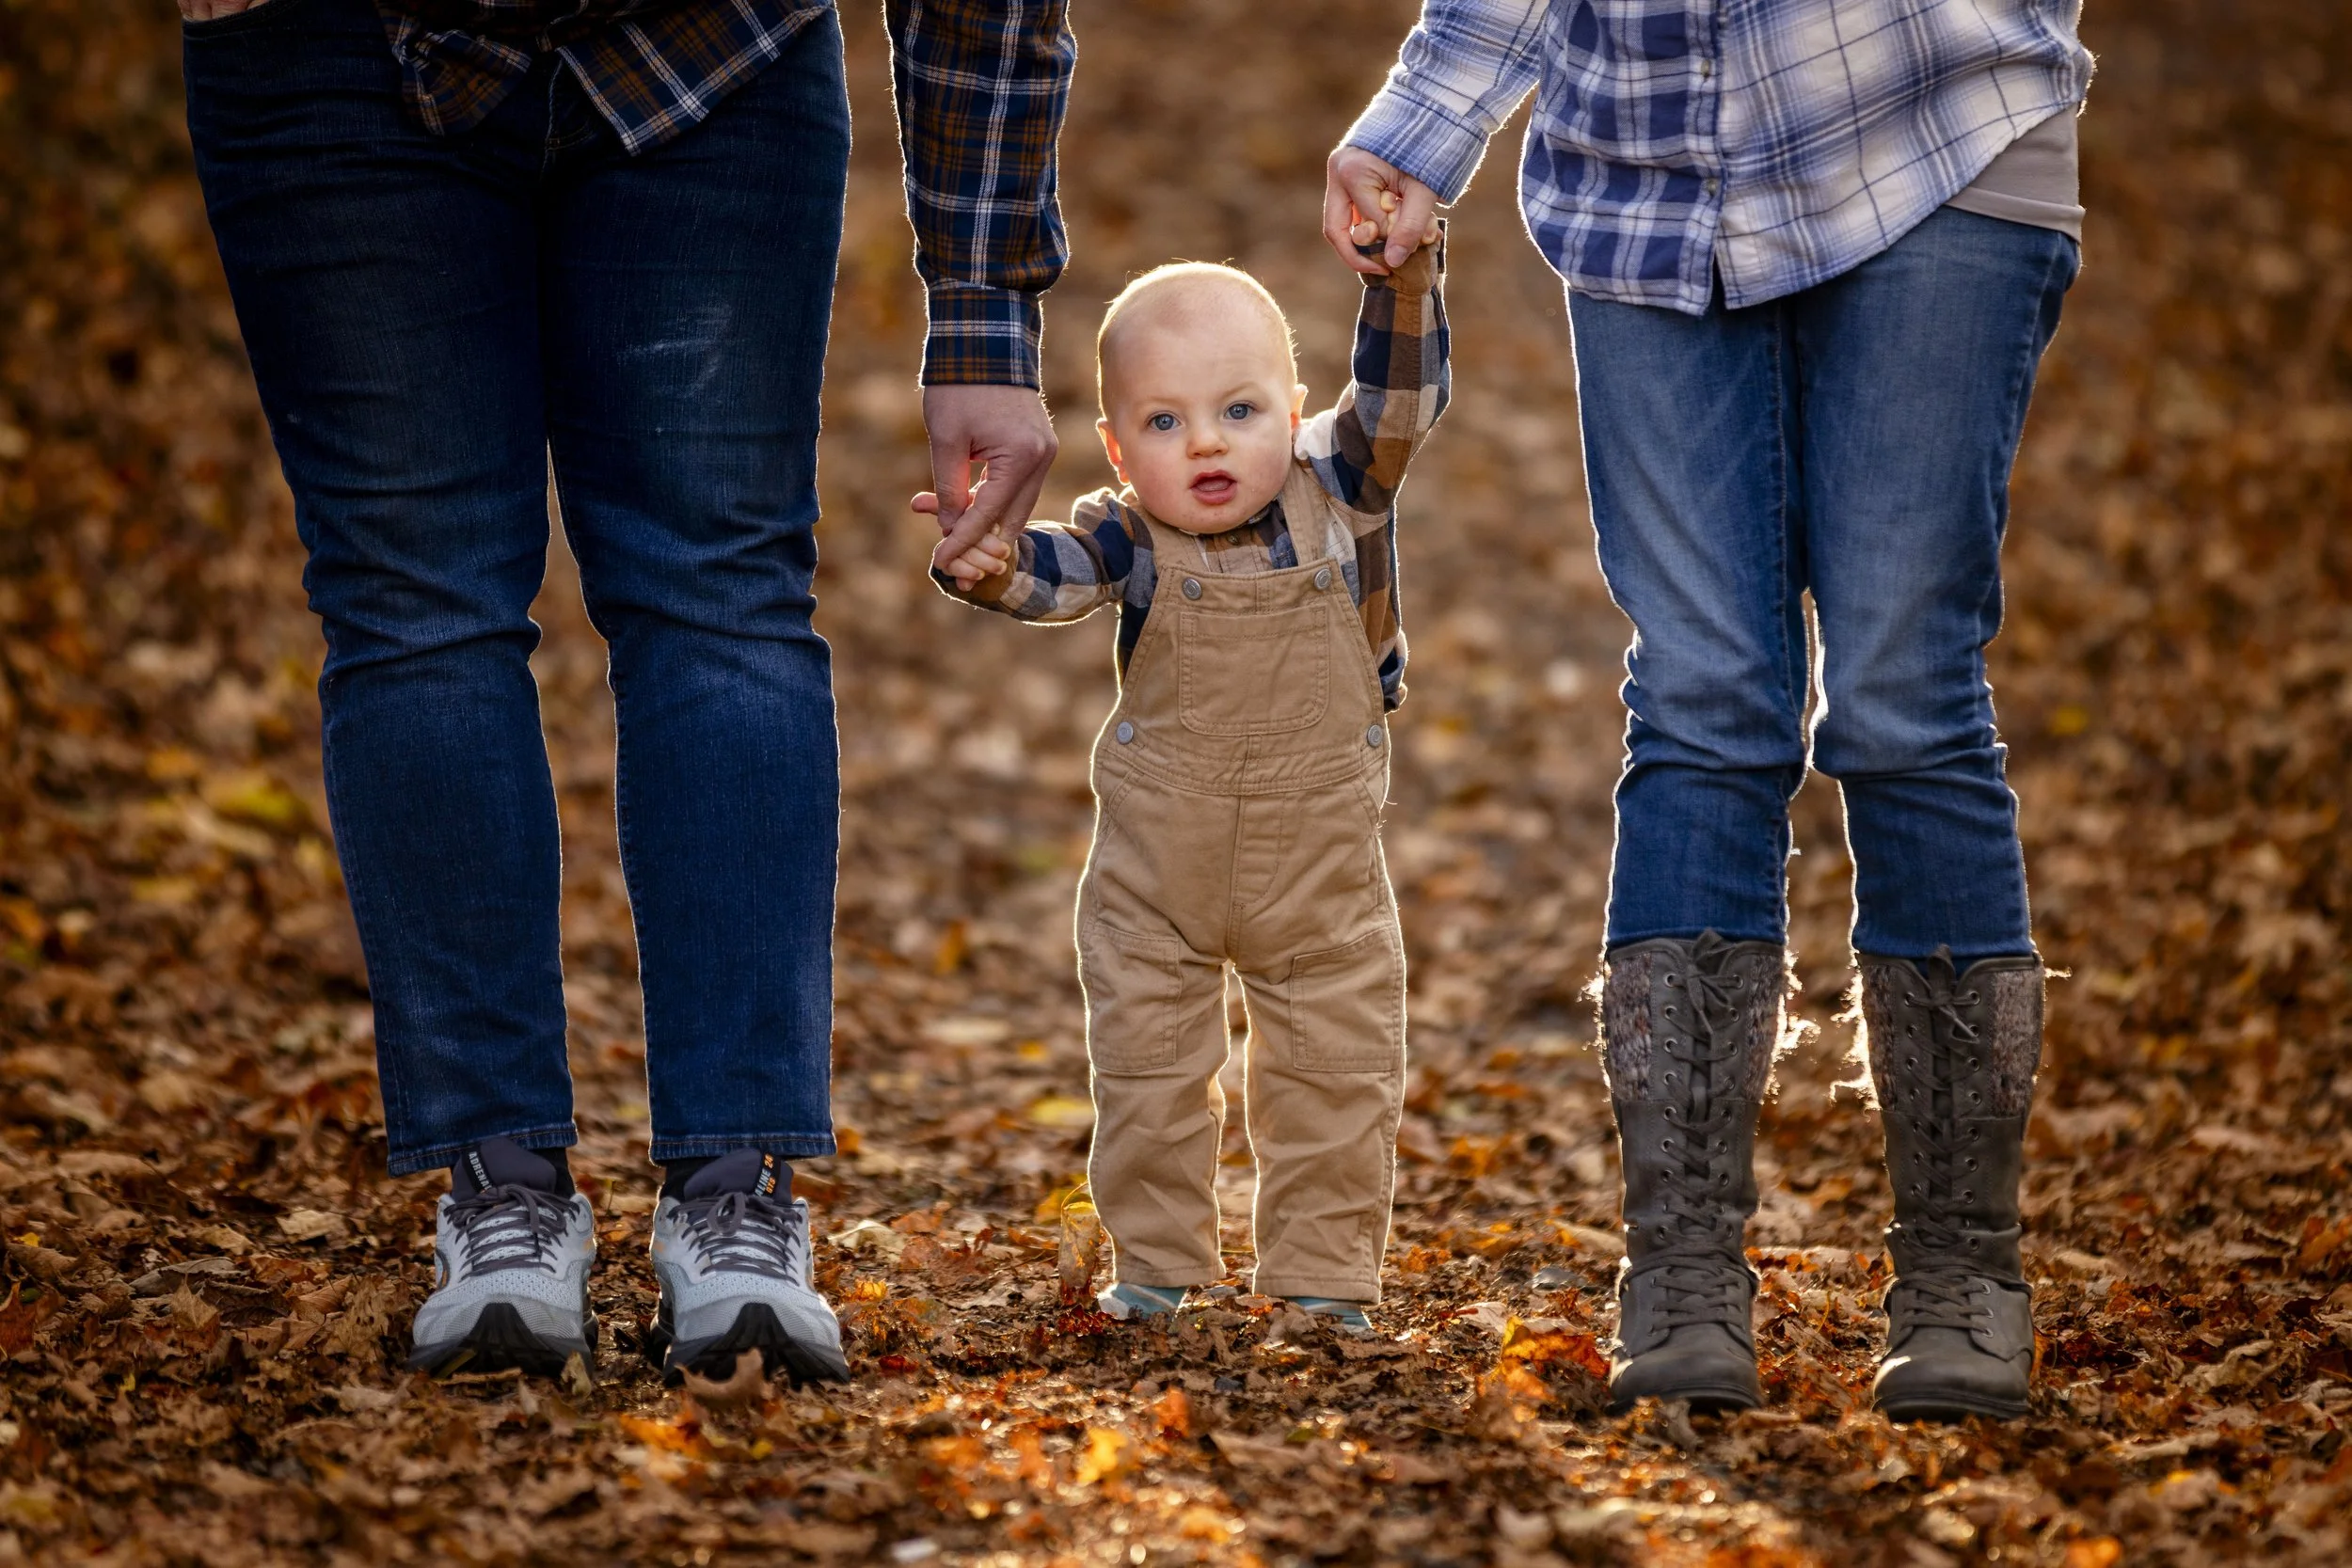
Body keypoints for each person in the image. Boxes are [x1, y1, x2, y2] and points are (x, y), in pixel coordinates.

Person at [177, 0, 1074, 1383]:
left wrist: (982, 305)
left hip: (704, 47)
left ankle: (734, 1194)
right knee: (418, 603)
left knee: (710, 596)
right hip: (331, 52)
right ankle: (502, 1190)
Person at [1326, 0, 2089, 1420]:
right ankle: (1677, 1266)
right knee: (1700, 694)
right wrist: (1427, 117)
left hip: (1934, 119)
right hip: (1648, 175)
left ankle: (1963, 1267)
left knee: (1907, 691)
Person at [928, 226, 1449, 1332]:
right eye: (1165, 423)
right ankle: (1159, 1266)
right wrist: (989, 560)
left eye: (1239, 410)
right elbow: (1053, 577)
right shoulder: (1127, 536)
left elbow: (1401, 397)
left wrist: (1404, 280)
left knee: (1332, 1072)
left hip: (1315, 873)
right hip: (1158, 874)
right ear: (1117, 450)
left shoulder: (1343, 489)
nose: (1206, 444)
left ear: (1295, 405)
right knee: (1148, 1073)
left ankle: (1321, 1277)